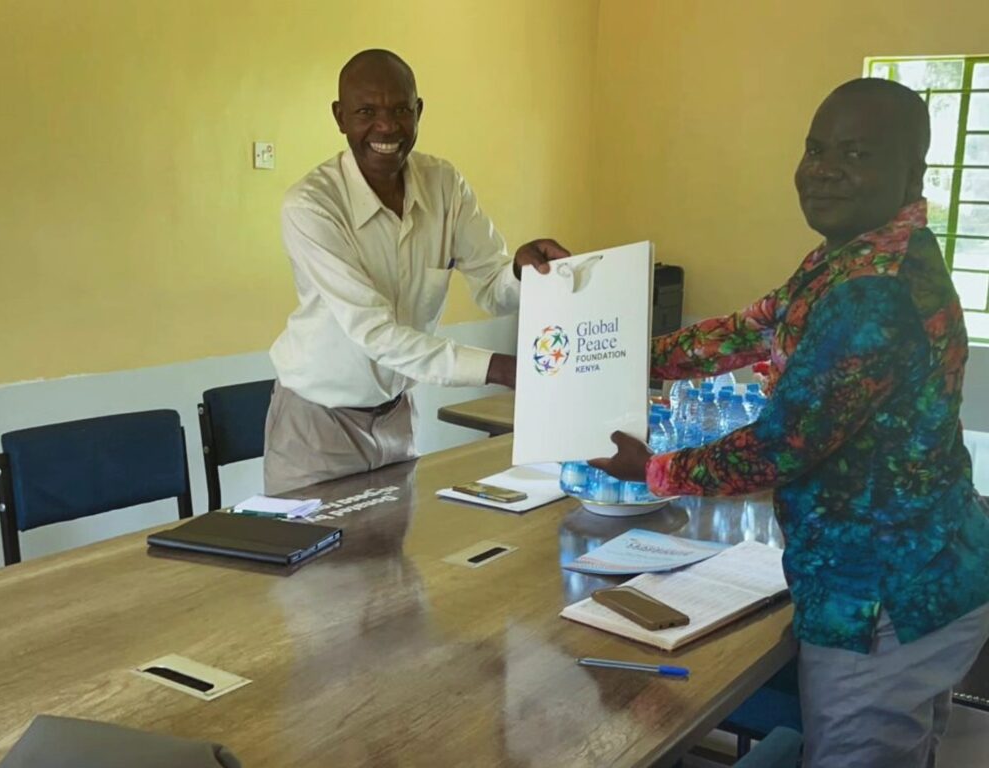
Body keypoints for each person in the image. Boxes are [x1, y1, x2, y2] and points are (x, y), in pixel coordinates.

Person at [591, 78, 989, 768]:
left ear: (908, 171)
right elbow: (747, 329)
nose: (824, 169)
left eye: (855, 153)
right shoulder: (852, 256)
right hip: (926, 572)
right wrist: (611, 355)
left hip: (884, 600)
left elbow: (780, 447)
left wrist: (654, 468)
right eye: (815, 148)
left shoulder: (874, 294)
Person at [266, 49, 568, 494]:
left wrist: (522, 273)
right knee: (316, 564)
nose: (386, 126)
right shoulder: (311, 206)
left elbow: (492, 287)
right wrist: (502, 369)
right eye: (367, 111)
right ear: (340, 117)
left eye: (400, 110)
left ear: (418, 111)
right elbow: (376, 334)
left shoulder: (444, 185)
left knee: (393, 563)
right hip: (316, 427)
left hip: (397, 417)